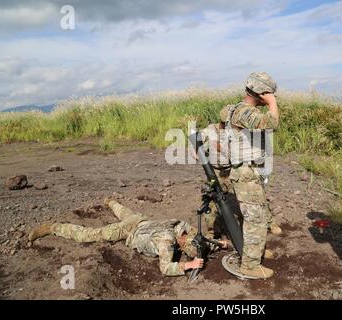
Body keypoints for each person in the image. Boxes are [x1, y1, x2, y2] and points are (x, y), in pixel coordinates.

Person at [28, 199, 228, 276]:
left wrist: (220, 243)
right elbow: (166, 268)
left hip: (140, 220)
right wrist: (188, 266)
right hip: (129, 231)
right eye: (185, 248)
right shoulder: (166, 242)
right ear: (182, 243)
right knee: (91, 235)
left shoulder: (184, 227)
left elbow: (202, 240)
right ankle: (53, 228)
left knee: (123, 211)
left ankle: (111, 202)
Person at [215, 71, 280, 279]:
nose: (271, 96)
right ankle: (250, 264)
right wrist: (271, 103)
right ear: (261, 93)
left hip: (247, 170)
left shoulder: (232, 109)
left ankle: (256, 252)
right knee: (256, 218)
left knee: (256, 214)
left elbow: (221, 122)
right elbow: (271, 123)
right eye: (268, 93)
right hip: (245, 171)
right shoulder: (246, 112)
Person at [200, 122, 282, 239]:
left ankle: (270, 223)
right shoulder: (209, 130)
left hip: (234, 169)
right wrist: (198, 151)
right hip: (216, 172)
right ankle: (213, 232)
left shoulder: (236, 132)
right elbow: (197, 143)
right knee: (213, 202)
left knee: (254, 196)